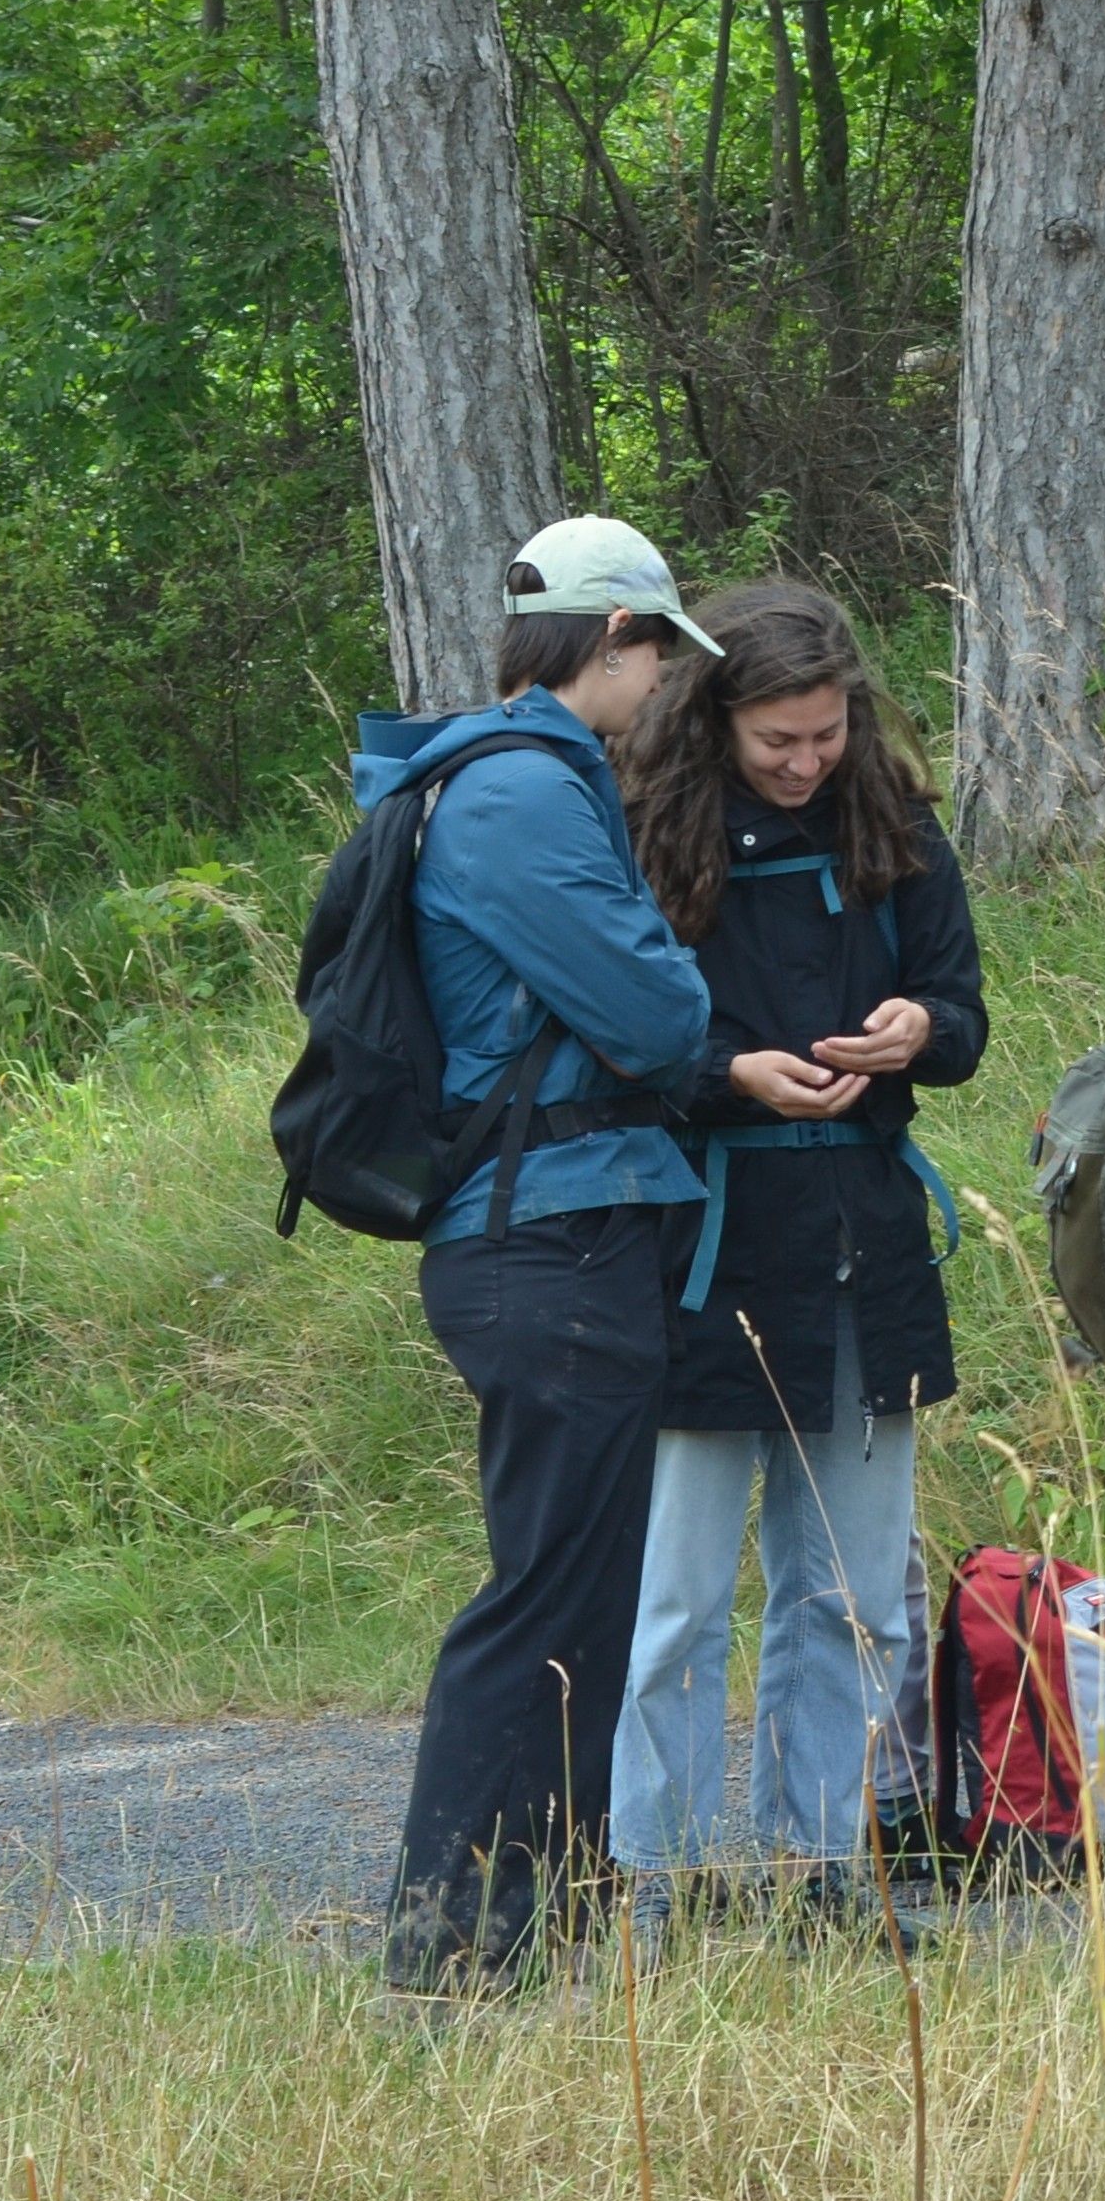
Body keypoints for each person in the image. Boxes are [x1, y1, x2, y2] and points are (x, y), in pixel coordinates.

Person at [370, 515, 724, 1995]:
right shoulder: (518, 792)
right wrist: (682, 987)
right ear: (615, 637)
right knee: (544, 1597)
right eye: (658, 659)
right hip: (547, 1236)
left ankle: (535, 1924)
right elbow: (657, 1016)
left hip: (566, 1227)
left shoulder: (529, 777)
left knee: (580, 1590)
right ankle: (448, 1940)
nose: (662, 696)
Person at [609, 583, 986, 1921]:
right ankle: (649, 1874)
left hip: (863, 1243)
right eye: (778, 739)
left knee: (851, 1592)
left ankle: (819, 1864)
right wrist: (733, 1075)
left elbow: (962, 1014)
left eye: (824, 734)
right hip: (704, 1246)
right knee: (680, 1600)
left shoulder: (894, 821)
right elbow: (624, 1049)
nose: (805, 760)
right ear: (715, 720)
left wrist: (913, 1033)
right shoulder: (649, 831)